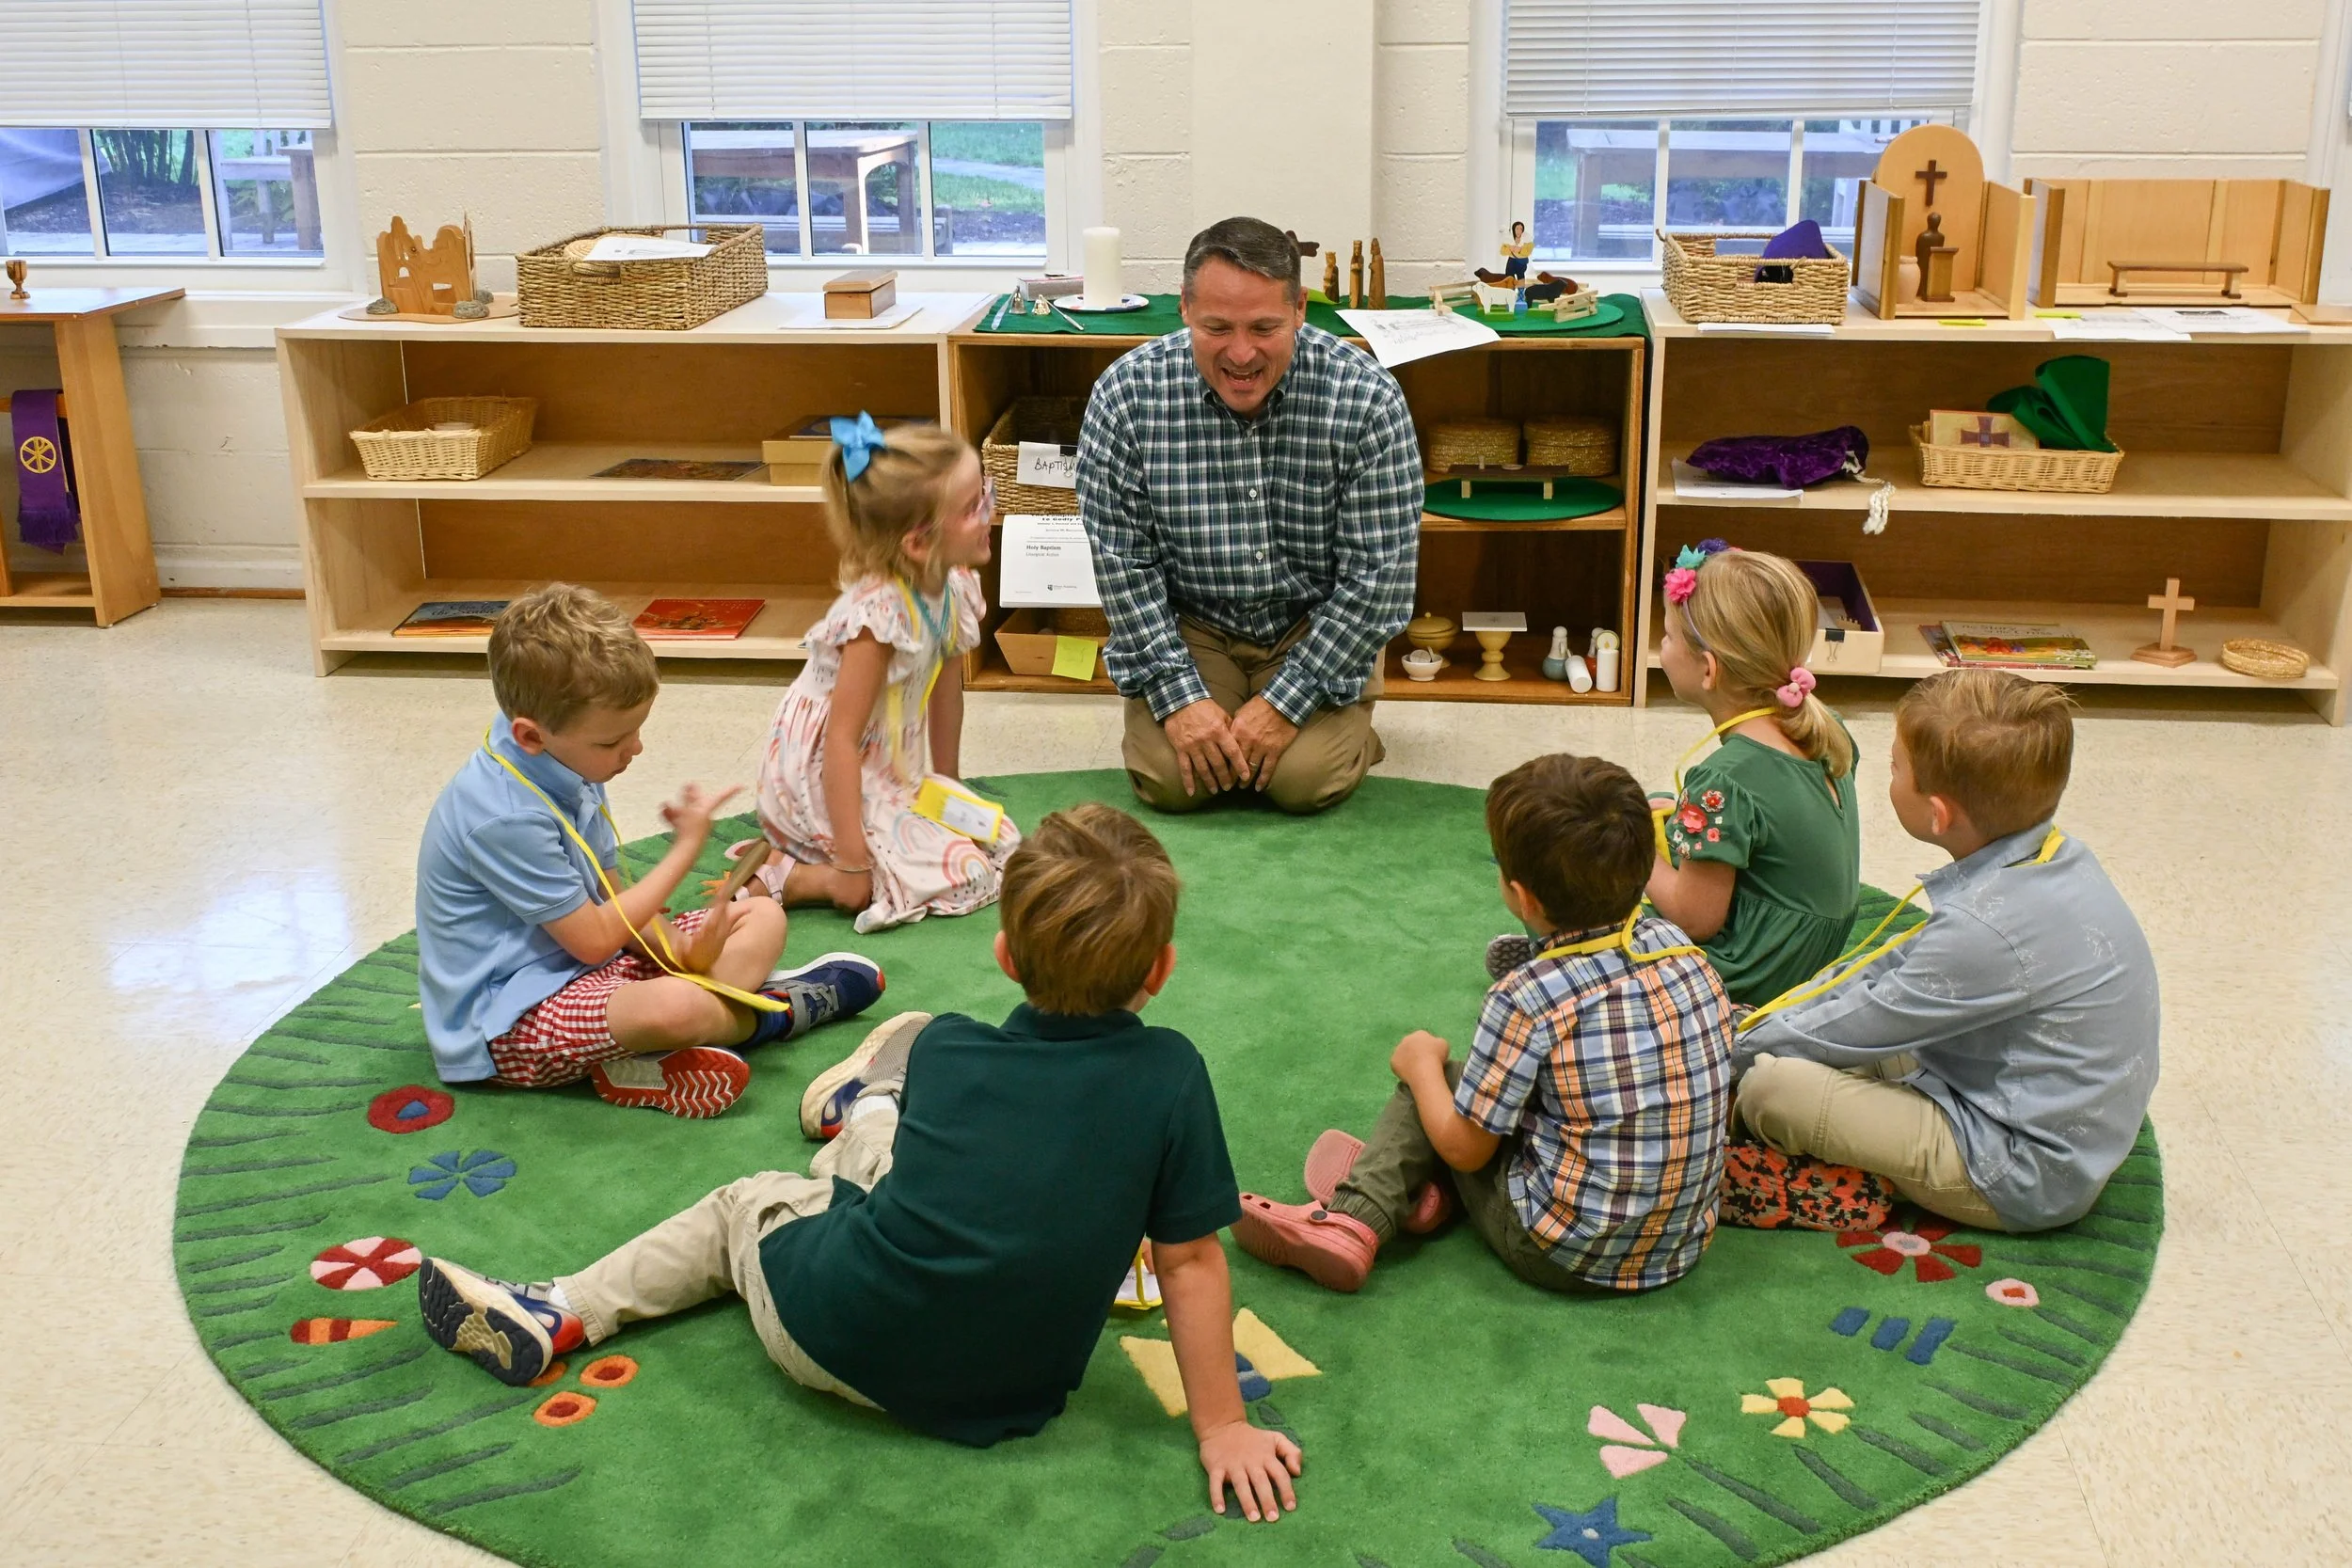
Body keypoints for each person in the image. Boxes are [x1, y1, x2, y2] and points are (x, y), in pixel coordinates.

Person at [412, 804, 1304, 1523]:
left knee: (747, 1202)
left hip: (836, 1326)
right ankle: (864, 1109)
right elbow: (1189, 1260)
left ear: (1003, 954)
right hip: (1006, 1394)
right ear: (1165, 965)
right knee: (869, 1171)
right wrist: (1221, 1423)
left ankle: (563, 1308)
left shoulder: (953, 1048)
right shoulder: (1173, 1072)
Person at [1230, 754, 1735, 1294]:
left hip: (1563, 1253)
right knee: (1536, 1093)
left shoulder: (1525, 998)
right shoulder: (1683, 953)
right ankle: (1436, 1197)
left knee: (1442, 1080)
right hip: (1679, 1245)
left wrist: (1420, 1068)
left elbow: (1468, 1149)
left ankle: (1355, 1219)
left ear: (1521, 895)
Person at [414, 585, 883, 1118]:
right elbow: (593, 941)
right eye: (613, 741)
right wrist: (685, 850)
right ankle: (776, 1014)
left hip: (588, 968)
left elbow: (612, 892)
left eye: (635, 731)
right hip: (510, 1020)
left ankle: (662, 1050)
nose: (634, 749)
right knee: (676, 1004)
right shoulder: (505, 815)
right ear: (530, 735)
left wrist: (685, 952)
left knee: (763, 913)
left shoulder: (563, 756)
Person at [1727, 670, 2159, 1232]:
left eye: (1895, 767)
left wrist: (1717, 1058)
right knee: (1793, 1032)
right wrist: (1758, 1028)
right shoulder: (2049, 855)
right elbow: (1885, 976)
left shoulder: (1985, 931)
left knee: (1770, 1087)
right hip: (1996, 1083)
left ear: (1937, 814)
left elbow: (1856, 1026)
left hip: (2021, 1170)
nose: (1889, 775)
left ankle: (1830, 1185)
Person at [1076, 214, 1421, 816]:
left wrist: (1287, 703)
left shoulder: (1368, 398)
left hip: (1315, 626)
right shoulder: (1124, 397)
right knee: (1171, 781)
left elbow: (1379, 581)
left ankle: (1350, 731)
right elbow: (1123, 570)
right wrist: (1179, 699)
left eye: (1264, 327)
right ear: (1184, 308)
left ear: (1300, 310)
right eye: (1216, 327)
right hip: (1194, 626)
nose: (1241, 353)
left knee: (1301, 782)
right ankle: (1234, 713)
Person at [749, 415, 1023, 932]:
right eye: (972, 509)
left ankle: (866, 848)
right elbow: (840, 741)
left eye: (984, 493)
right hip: (823, 773)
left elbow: (946, 696)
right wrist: (852, 865)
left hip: (890, 764)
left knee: (1000, 841)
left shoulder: (956, 585)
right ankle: (798, 875)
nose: (991, 511)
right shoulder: (876, 618)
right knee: (962, 872)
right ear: (918, 544)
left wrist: (948, 787)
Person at [1645, 542, 1861, 1006]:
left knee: (1589, 852)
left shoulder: (1723, 781)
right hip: (1803, 956)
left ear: (1708, 670)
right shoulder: (1827, 729)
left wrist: (1635, 851)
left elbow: (1694, 920)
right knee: (1670, 803)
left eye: (1665, 637)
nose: (1660, 646)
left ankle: (1564, 966)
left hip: (1745, 976)